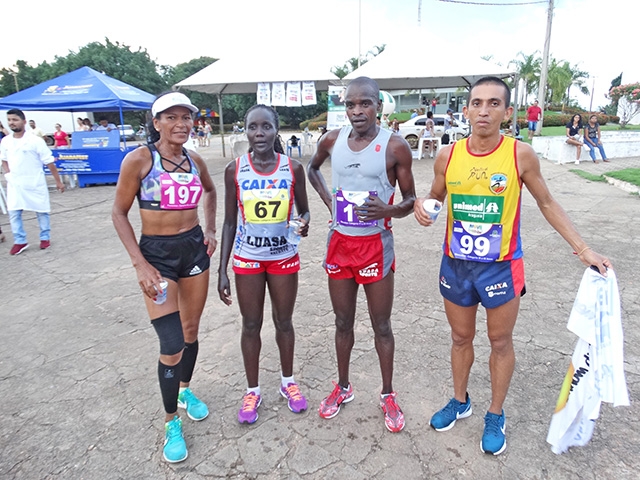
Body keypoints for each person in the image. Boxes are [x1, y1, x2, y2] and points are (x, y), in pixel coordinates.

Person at [413, 76, 611, 455]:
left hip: (501, 267)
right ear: (466, 109)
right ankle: (460, 401)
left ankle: (495, 413)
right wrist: (425, 207)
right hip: (456, 265)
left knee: (500, 341)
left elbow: (547, 203)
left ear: (506, 111)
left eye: (493, 103)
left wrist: (583, 248)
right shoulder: (447, 155)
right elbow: (436, 196)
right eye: (476, 103)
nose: (483, 110)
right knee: (459, 338)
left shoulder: (520, 155)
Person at [111, 92, 217, 464]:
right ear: (156, 123)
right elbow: (119, 213)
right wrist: (140, 264)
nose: (181, 124)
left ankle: (185, 391)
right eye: (171, 117)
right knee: (171, 344)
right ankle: (171, 420)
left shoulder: (195, 159)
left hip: (192, 250)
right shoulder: (140, 159)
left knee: (190, 331)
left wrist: (211, 230)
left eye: (186, 117)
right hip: (156, 255)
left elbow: (210, 191)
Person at [307, 76, 416, 433]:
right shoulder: (332, 139)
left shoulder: (395, 146)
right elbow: (312, 168)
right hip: (341, 242)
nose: (357, 111)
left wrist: (387, 211)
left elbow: (410, 200)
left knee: (381, 325)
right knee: (342, 322)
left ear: (378, 105)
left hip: (375, 246)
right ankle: (343, 387)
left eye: (365, 103)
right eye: (350, 104)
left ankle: (387, 394)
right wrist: (327, 200)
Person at [217, 104, 311, 425]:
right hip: (247, 260)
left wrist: (303, 223)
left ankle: (288, 383)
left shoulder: (293, 168)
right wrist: (221, 270)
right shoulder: (235, 169)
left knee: (284, 322)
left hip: (284, 257)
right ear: (245, 130)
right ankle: (252, 389)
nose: (259, 134)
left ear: (276, 129)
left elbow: (305, 212)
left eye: (266, 127)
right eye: (253, 127)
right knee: (251, 324)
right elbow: (229, 223)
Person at [0, 109, 65, 255]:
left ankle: (44, 237)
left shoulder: (35, 141)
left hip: (34, 182)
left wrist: (58, 182)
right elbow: (4, 160)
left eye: (15, 120)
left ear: (23, 122)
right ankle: (20, 240)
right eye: (9, 120)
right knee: (14, 212)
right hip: (15, 184)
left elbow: (49, 162)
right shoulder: (6, 141)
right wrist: (8, 174)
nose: (12, 122)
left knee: (41, 211)